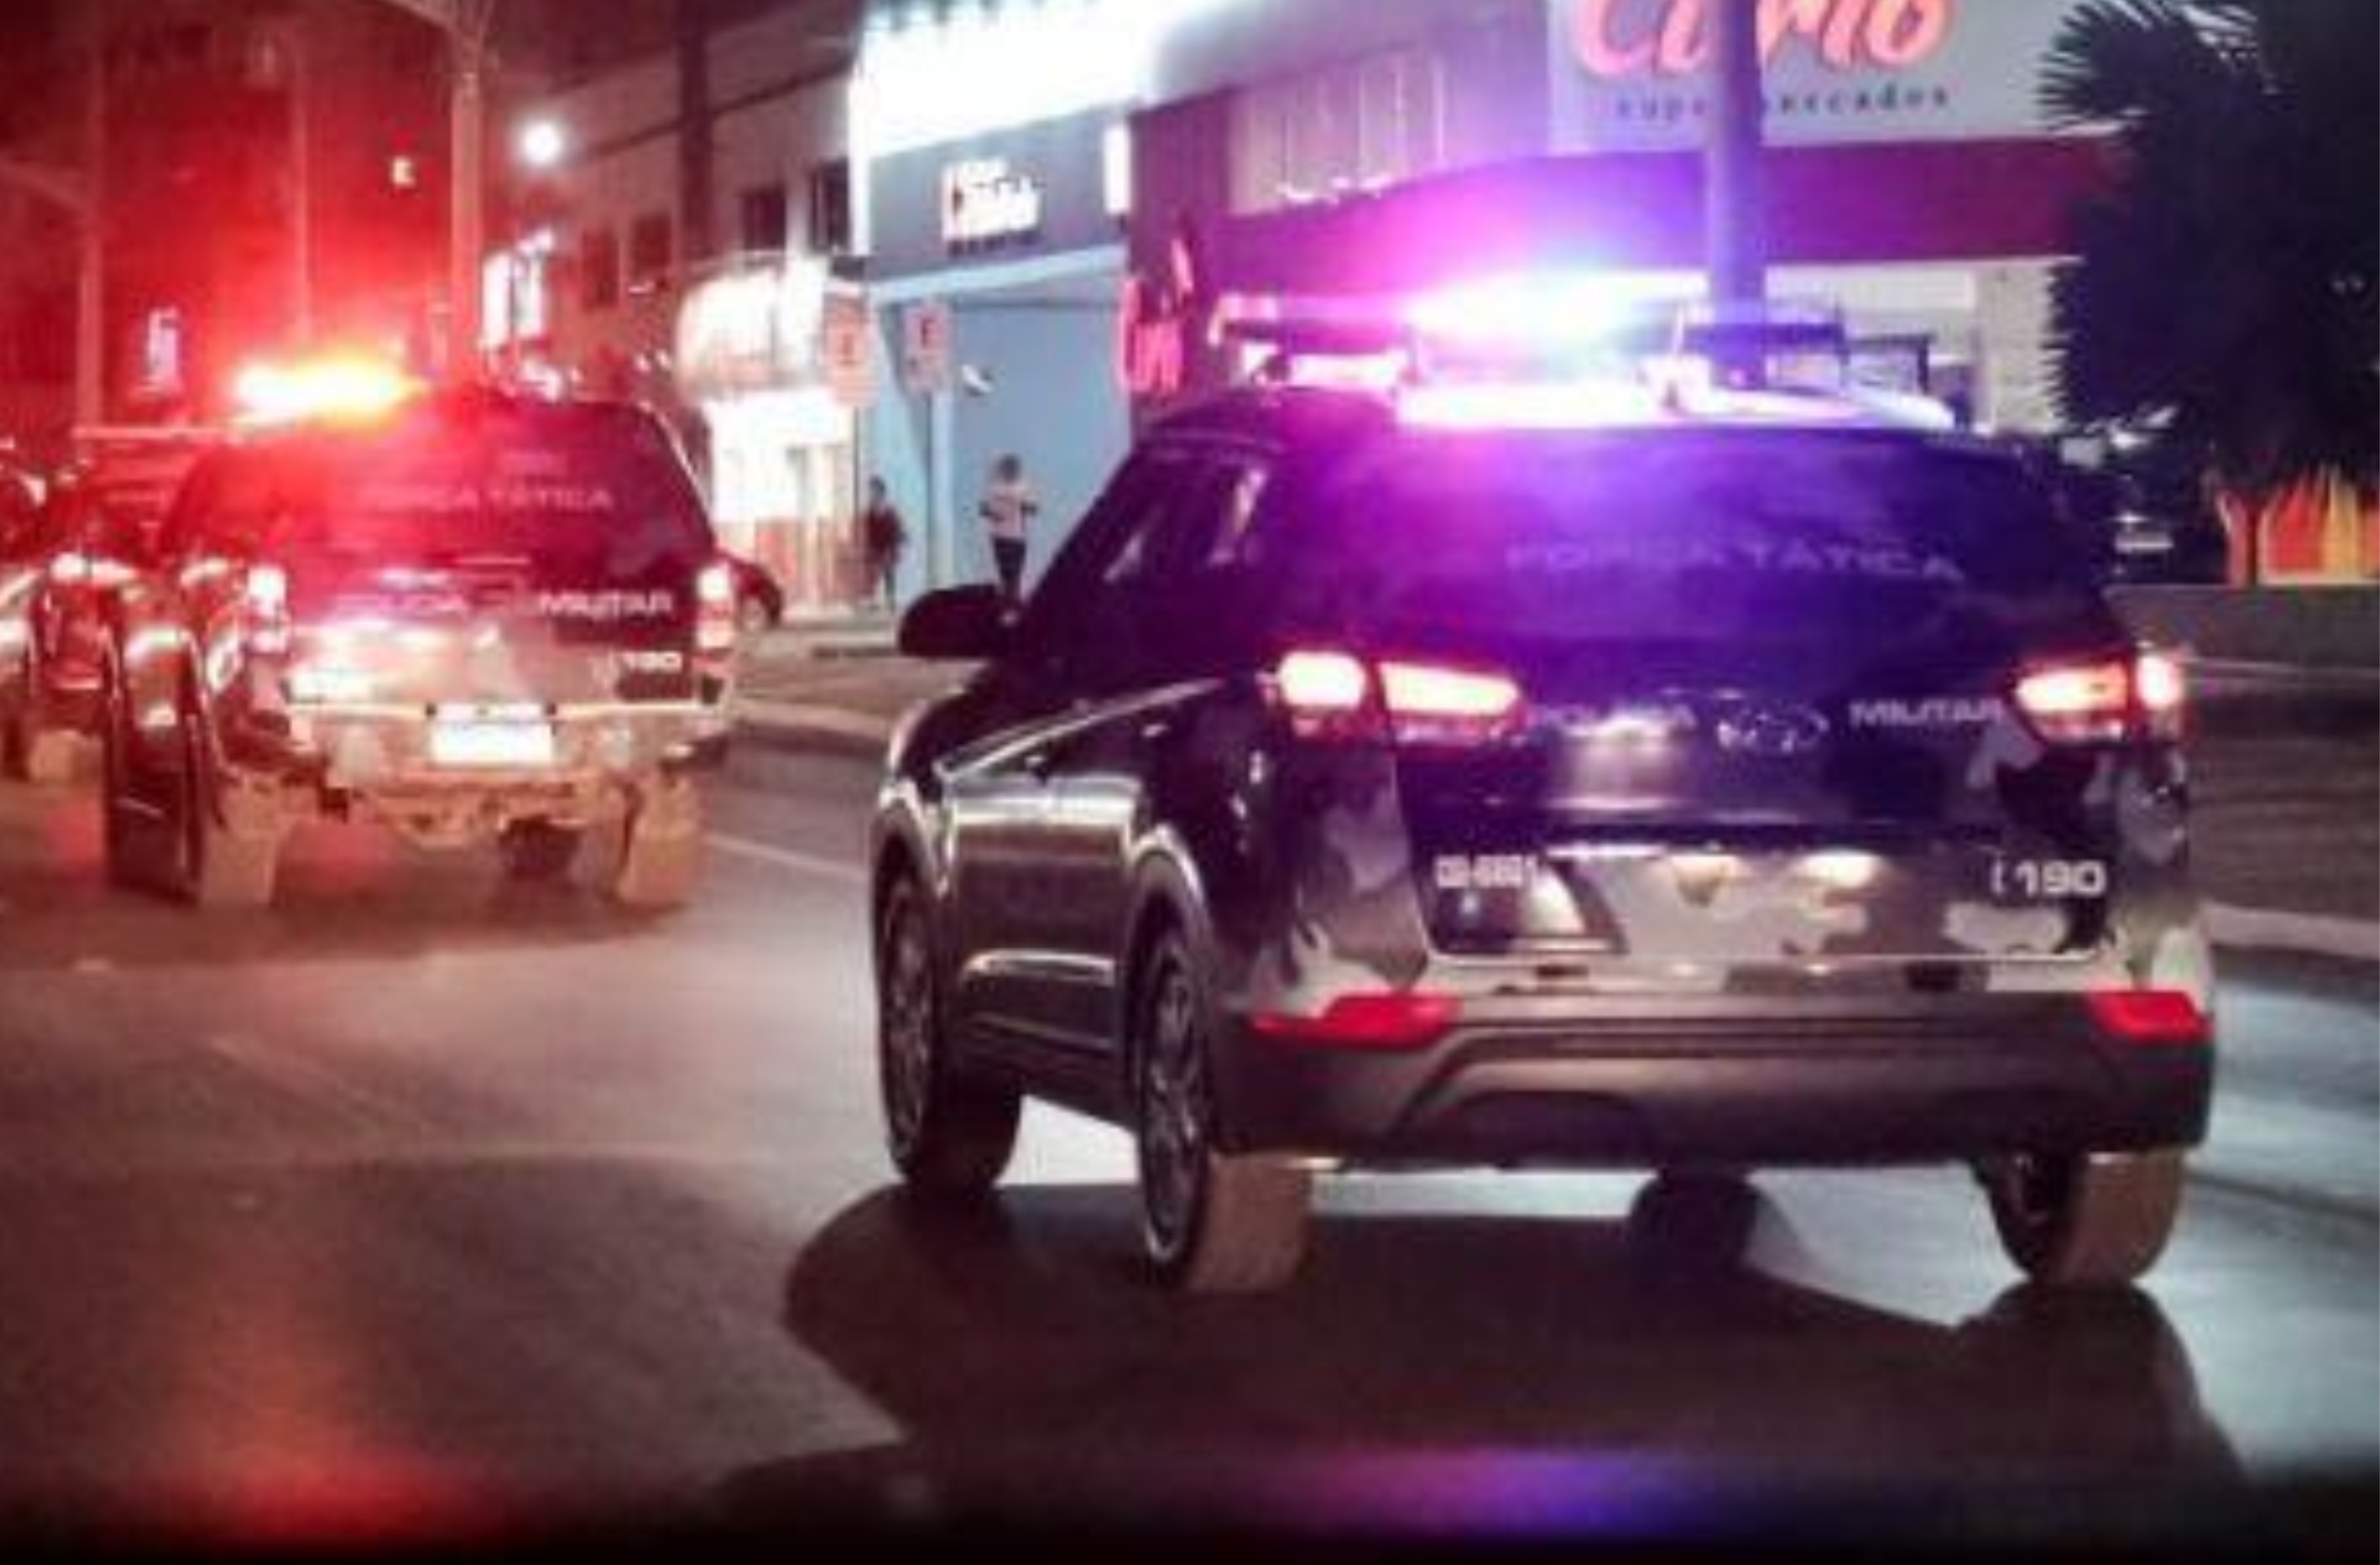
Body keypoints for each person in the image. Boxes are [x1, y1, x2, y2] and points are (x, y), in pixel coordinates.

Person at [978, 453, 1039, 603]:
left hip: (1003, 536)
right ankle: (1012, 605)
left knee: (1008, 576)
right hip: (1014, 537)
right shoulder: (1020, 487)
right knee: (1013, 576)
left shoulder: (995, 488)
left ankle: (1010, 604)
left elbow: (984, 510)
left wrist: (997, 511)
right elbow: (1033, 509)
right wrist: (1021, 506)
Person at [859, 476, 907, 610]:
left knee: (888, 574)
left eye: (874, 490)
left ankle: (890, 600)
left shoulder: (889, 510)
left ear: (881, 492)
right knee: (873, 574)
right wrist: (867, 547)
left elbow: (896, 529)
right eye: (871, 490)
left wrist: (896, 546)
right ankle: (874, 601)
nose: (872, 493)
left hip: (888, 547)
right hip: (875, 547)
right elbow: (869, 531)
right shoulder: (870, 512)